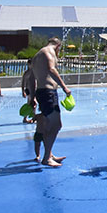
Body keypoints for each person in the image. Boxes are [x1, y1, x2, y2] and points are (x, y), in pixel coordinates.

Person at [30, 37, 71, 167]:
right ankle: (47, 158)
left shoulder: (37, 55)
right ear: (58, 45)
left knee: (48, 124)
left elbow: (32, 78)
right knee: (56, 125)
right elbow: (51, 69)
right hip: (49, 93)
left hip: (42, 92)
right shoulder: (49, 52)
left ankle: (49, 153)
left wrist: (32, 96)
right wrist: (64, 87)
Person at [21, 59, 34, 123]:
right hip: (29, 90)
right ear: (29, 65)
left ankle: (27, 118)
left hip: (34, 90)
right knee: (33, 103)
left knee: (31, 104)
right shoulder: (27, 73)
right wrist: (23, 91)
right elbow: (23, 83)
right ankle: (32, 117)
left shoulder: (34, 72)